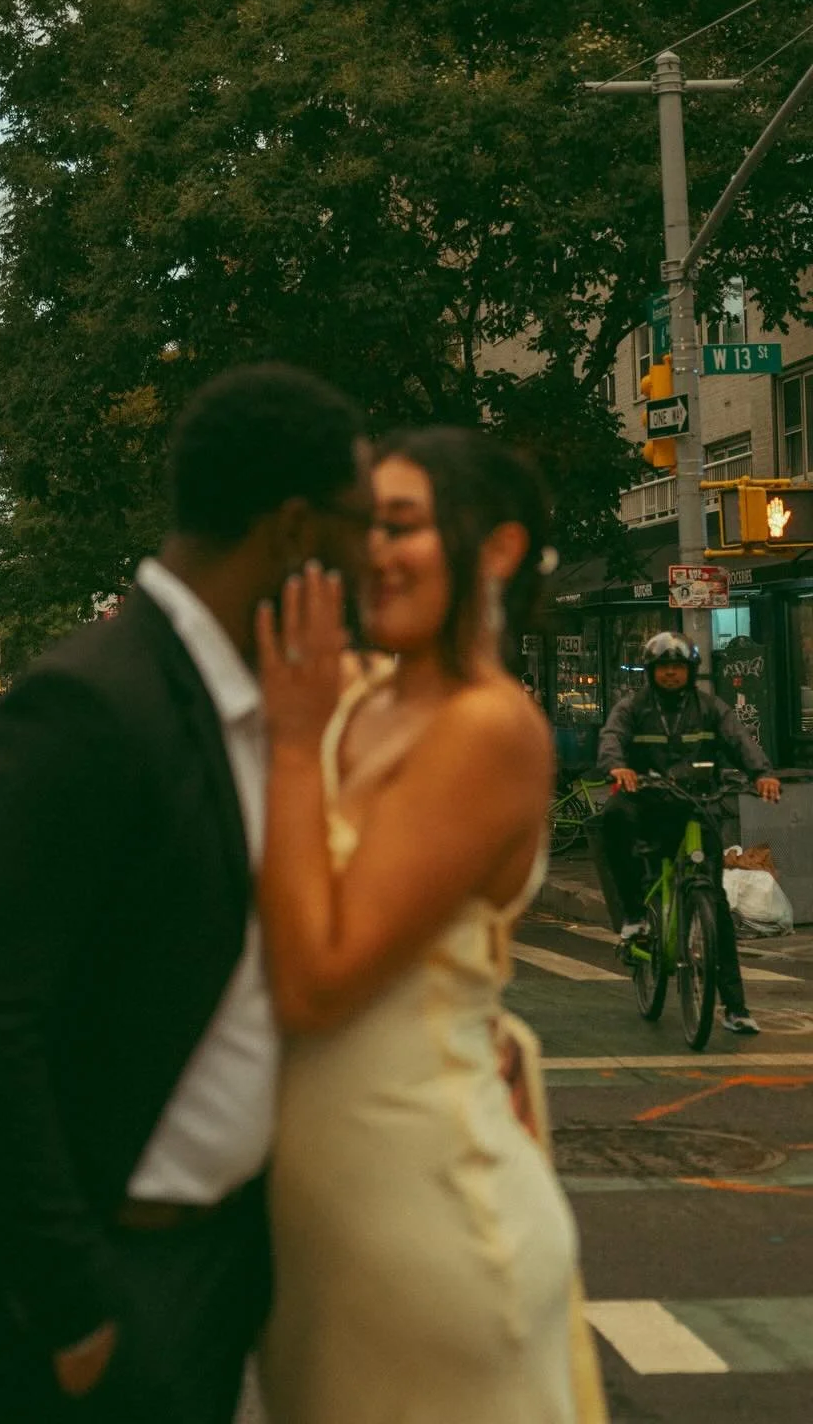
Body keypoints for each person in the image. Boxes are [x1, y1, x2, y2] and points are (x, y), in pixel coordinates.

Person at [0, 363, 372, 1423]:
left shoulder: (252, 702)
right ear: (293, 531)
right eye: (357, 527)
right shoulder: (91, 705)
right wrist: (75, 1314)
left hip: (215, 1263)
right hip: (107, 1287)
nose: (369, 560)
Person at [257, 428, 606, 1424]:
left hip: (433, 1231)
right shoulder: (349, 695)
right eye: (366, 525)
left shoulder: (490, 729)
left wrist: (290, 748)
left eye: (402, 525)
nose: (373, 551)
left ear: (494, 550)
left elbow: (319, 979)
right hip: (315, 1247)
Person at [596, 631, 781, 1035]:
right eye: (664, 668)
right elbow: (611, 738)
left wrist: (762, 773)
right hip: (647, 804)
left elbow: (740, 739)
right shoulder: (633, 708)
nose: (671, 674)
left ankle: (735, 1008)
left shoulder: (710, 707)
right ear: (652, 672)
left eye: (678, 667)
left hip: (697, 807)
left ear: (691, 671)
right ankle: (633, 917)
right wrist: (618, 766)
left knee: (714, 902)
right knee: (611, 819)